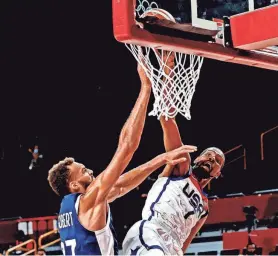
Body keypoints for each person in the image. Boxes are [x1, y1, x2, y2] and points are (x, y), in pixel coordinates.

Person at [47, 64, 197, 256]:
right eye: (83, 171)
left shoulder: (71, 211)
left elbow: (120, 186)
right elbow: (126, 147)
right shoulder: (88, 201)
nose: (91, 171)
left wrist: (161, 160)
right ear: (74, 184)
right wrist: (146, 87)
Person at [122, 115, 225, 256]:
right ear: (197, 158)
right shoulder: (182, 167)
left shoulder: (205, 207)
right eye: (208, 154)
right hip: (152, 231)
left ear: (218, 173)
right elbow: (167, 123)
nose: (212, 158)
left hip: (173, 247)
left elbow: (186, 242)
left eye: (217, 161)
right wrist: (166, 110)